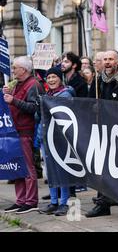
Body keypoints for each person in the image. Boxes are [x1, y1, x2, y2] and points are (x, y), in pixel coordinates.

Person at [86, 50, 118, 219]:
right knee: (102, 168)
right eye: (105, 59)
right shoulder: (98, 80)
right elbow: (88, 102)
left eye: (110, 59)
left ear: (117, 61)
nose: (107, 62)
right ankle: (103, 204)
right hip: (103, 130)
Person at [2, 56, 43, 214]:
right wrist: (7, 93)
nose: (12, 71)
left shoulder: (33, 84)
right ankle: (20, 200)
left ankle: (31, 201)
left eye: (15, 68)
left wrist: (13, 101)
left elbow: (34, 108)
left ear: (24, 69)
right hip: (14, 130)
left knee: (27, 167)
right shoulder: (17, 84)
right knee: (17, 168)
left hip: (25, 130)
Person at [38, 67, 75, 216]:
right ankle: (54, 201)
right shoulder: (46, 94)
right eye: (49, 78)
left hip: (59, 139)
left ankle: (64, 202)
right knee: (50, 172)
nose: (51, 80)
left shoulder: (65, 94)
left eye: (54, 77)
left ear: (60, 78)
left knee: (61, 171)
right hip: (45, 137)